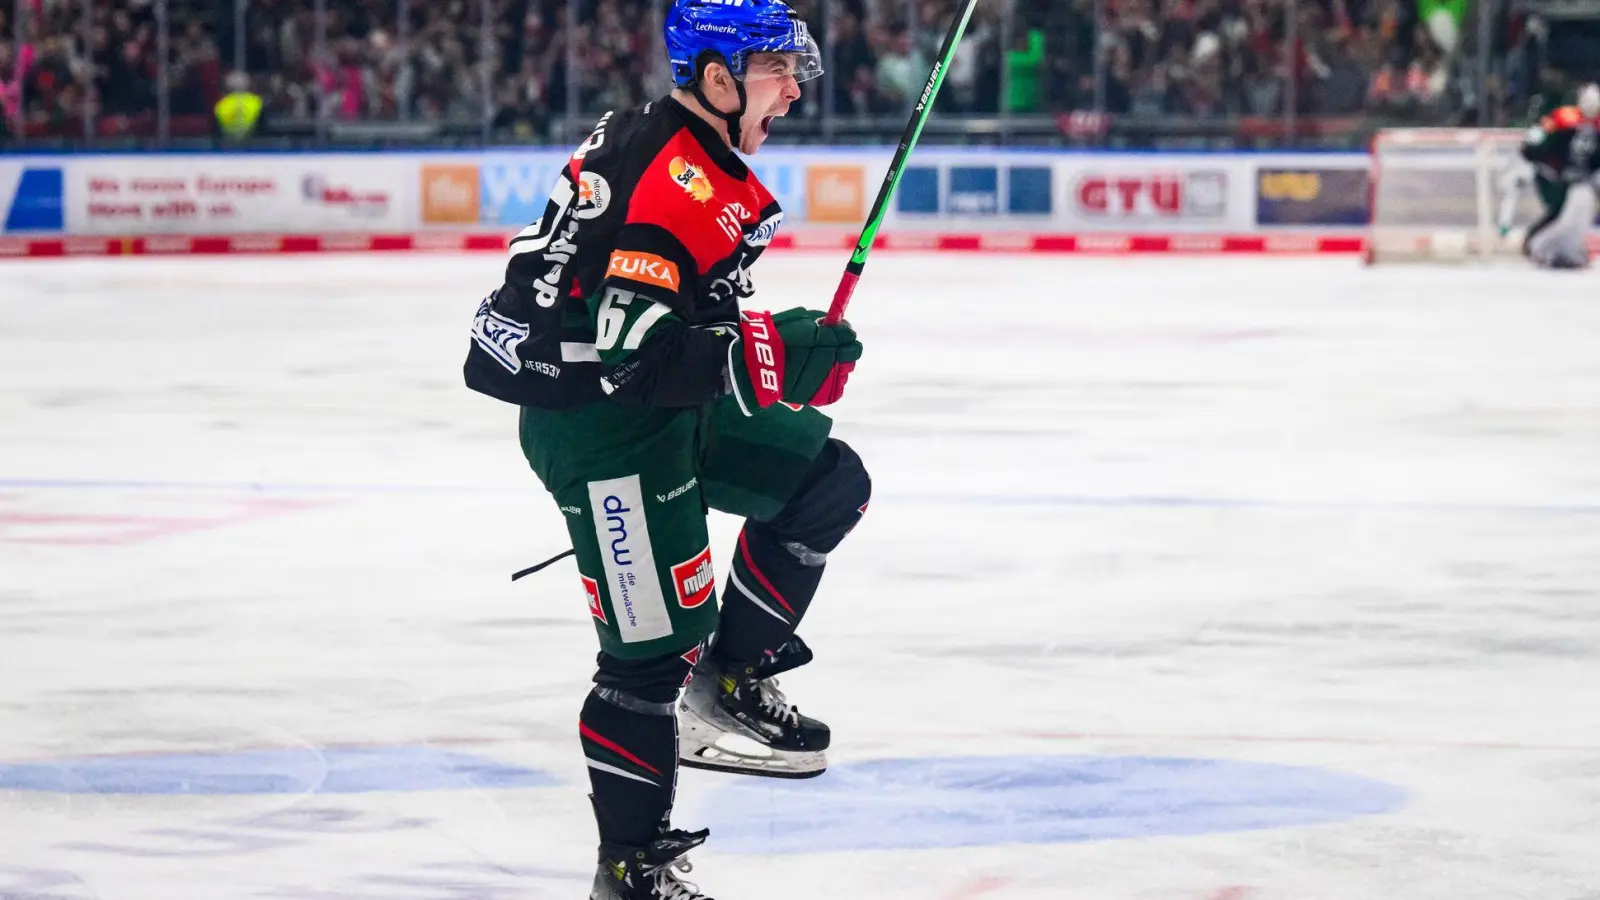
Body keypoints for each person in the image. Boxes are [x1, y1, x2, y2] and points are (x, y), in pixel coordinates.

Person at [461, 1, 869, 897]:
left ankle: (730, 681)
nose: (794, 91)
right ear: (716, 78)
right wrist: (771, 355)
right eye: (776, 72)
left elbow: (668, 326)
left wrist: (771, 356)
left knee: (822, 480)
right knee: (648, 658)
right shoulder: (673, 181)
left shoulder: (686, 148)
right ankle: (630, 871)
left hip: (651, 402)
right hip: (598, 425)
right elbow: (630, 352)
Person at [1511, 82, 1600, 268]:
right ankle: (1537, 245)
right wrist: (1533, 151)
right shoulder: (1564, 116)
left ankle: (1563, 250)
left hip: (1580, 178)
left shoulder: (1597, 124)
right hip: (1552, 172)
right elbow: (1537, 136)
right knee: (1561, 211)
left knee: (1575, 215)